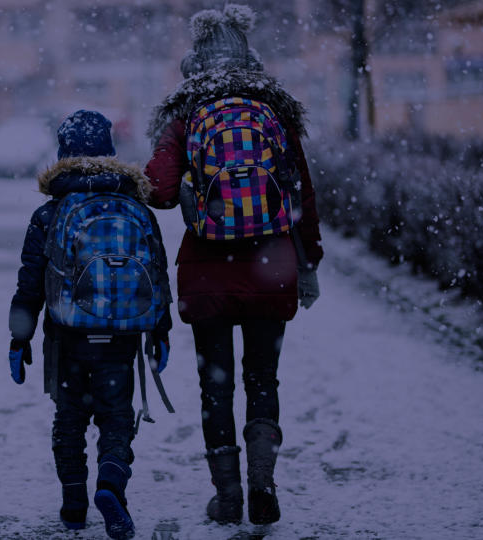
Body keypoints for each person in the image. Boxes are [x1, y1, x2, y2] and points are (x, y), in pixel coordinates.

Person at [144, 4, 324, 526]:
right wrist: (307, 262)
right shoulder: (275, 116)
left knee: (215, 385)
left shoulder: (187, 116)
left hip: (207, 274)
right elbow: (303, 198)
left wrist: (187, 191)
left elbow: (155, 189)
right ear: (252, 61)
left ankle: (227, 497)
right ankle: (263, 482)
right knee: (263, 380)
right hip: (272, 268)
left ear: (194, 65)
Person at [8, 110, 171, 540]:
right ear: (110, 153)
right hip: (121, 335)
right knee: (116, 417)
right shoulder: (135, 206)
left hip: (67, 337)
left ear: (62, 154)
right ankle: (111, 484)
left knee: (70, 418)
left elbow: (30, 283)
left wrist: (18, 337)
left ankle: (74, 504)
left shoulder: (51, 212)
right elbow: (157, 272)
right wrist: (160, 329)